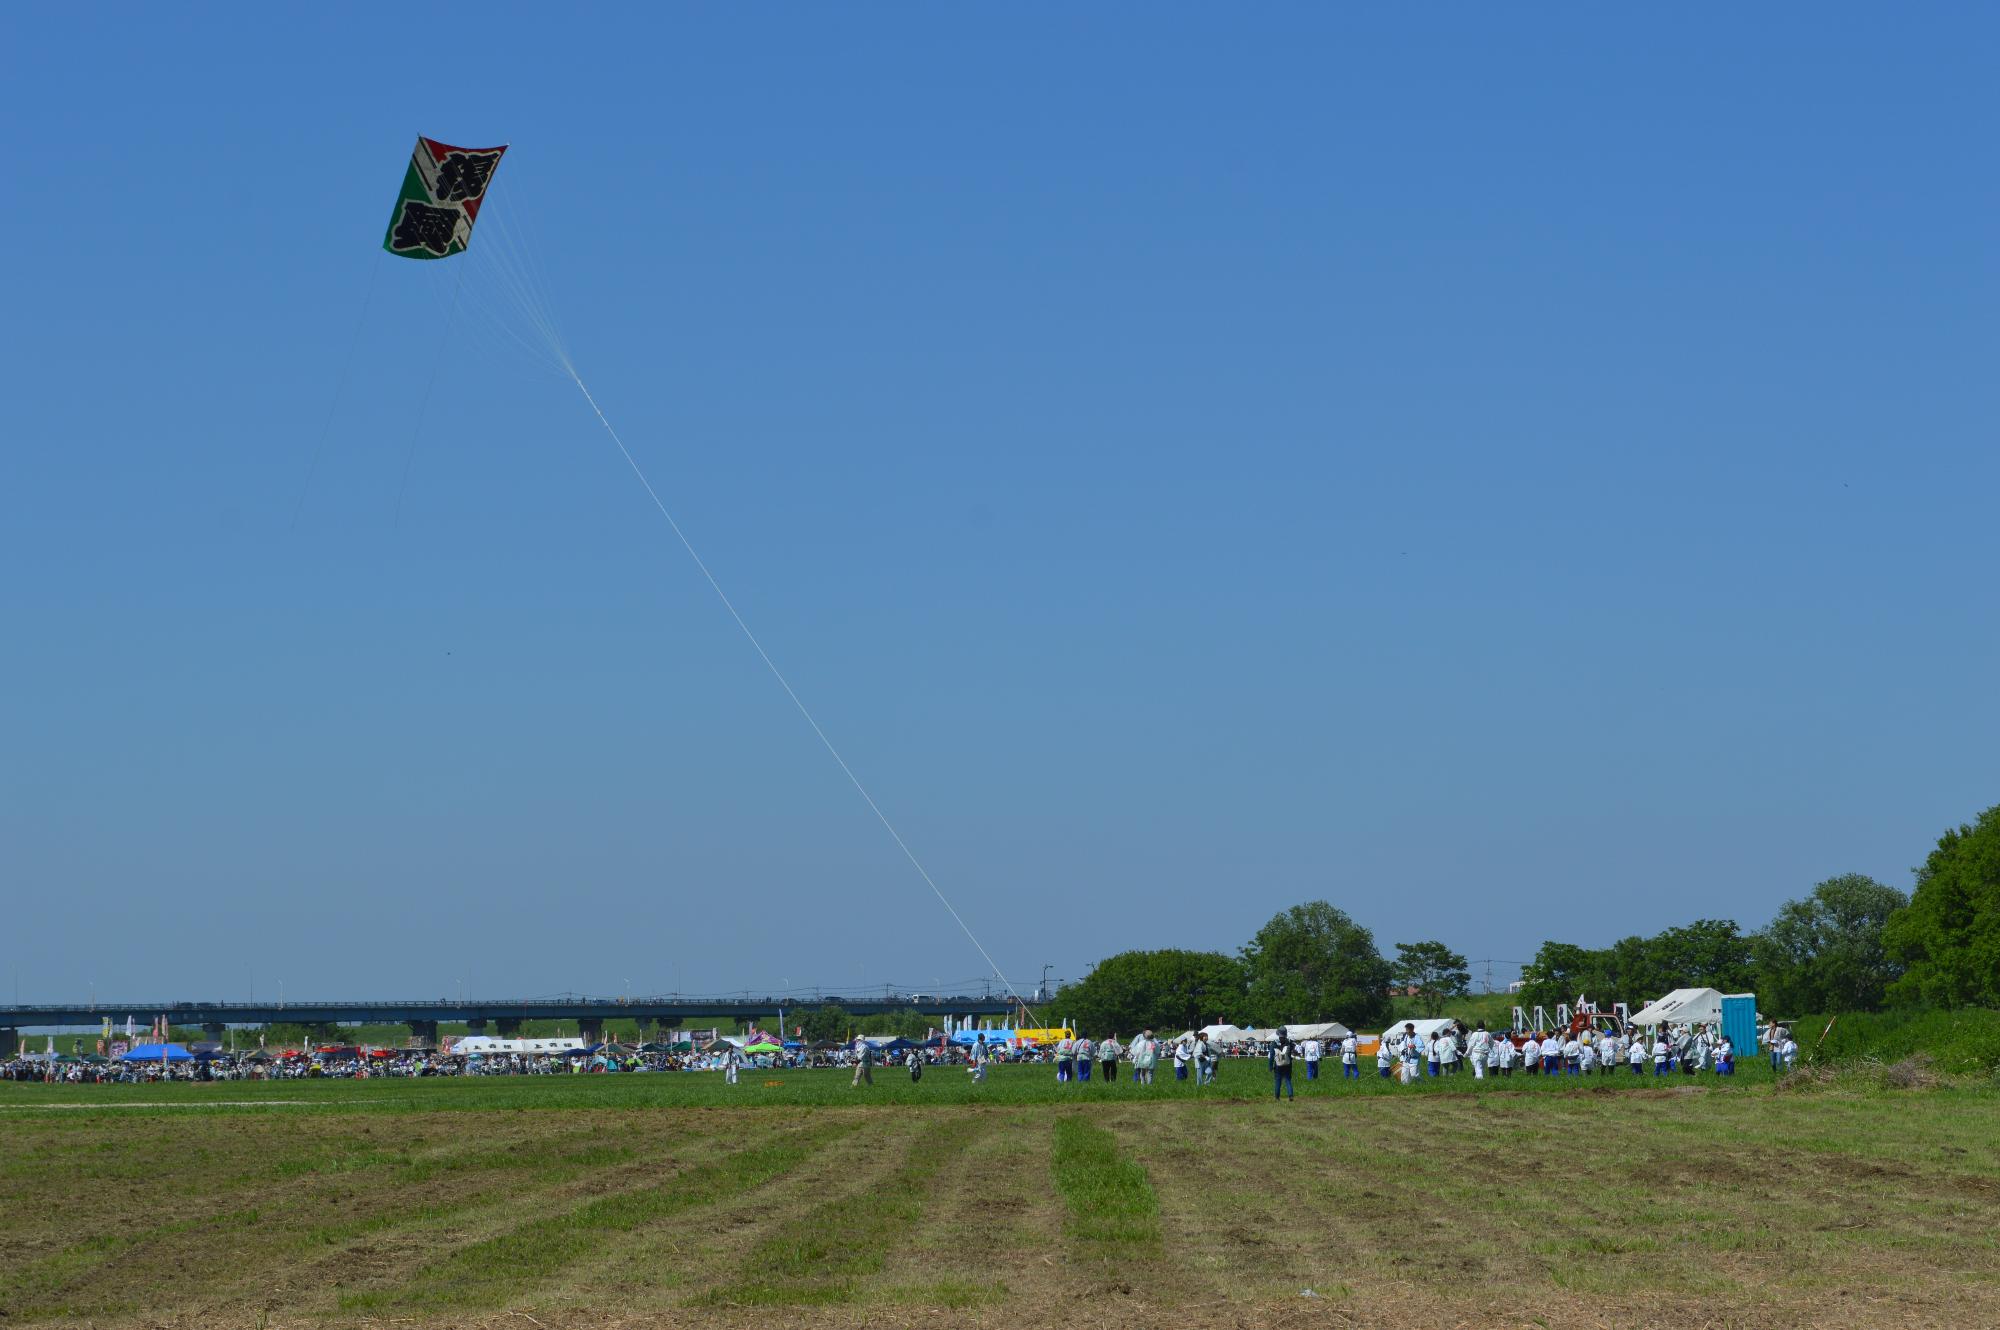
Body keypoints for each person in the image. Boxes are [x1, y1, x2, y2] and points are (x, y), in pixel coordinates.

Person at [1269, 1028, 1295, 1101]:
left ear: (1278, 1034)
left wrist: (1270, 1066)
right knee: (1288, 1080)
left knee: (1278, 1081)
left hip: (1278, 1064)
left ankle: (1277, 1097)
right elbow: (1293, 1052)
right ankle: (1290, 1096)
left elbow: (1271, 1056)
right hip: (1288, 1064)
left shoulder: (1274, 1043)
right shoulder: (1289, 1042)